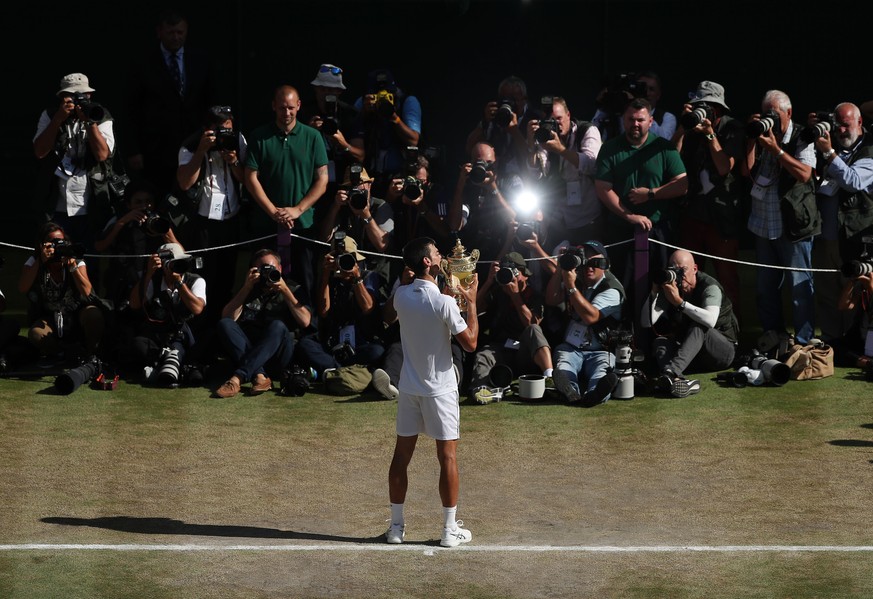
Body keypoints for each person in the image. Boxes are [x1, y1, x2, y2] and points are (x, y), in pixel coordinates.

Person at [385, 237, 478, 547]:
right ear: (427, 262)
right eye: (437, 253)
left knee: (401, 456)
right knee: (447, 457)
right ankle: (449, 531)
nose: (442, 255)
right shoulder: (444, 303)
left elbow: (389, 313)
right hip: (440, 391)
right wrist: (472, 302)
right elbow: (471, 343)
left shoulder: (401, 296)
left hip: (409, 388)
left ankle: (396, 528)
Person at [594, 97, 688, 308]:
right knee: (621, 287)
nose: (635, 124)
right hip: (621, 231)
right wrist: (630, 215)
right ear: (623, 120)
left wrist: (651, 194)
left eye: (640, 119)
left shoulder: (664, 148)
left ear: (651, 121)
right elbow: (602, 187)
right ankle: (623, 334)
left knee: (661, 286)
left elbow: (682, 184)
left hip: (658, 231)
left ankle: (660, 333)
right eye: (630, 119)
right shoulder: (610, 148)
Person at [740, 89, 817, 345]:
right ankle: (772, 335)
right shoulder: (762, 133)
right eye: (766, 114)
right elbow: (746, 171)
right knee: (765, 288)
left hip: (793, 225)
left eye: (774, 114)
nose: (770, 119)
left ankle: (804, 341)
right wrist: (752, 139)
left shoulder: (802, 135)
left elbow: (805, 174)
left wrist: (776, 150)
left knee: (799, 289)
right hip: (763, 223)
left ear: (789, 113)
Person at [244, 84, 329, 298]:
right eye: (282, 108)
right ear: (273, 107)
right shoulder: (259, 136)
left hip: (303, 225)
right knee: (261, 283)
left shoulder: (312, 137)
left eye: (291, 107)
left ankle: (307, 328)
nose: (287, 113)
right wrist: (273, 211)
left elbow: (322, 179)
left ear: (299, 106)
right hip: (266, 225)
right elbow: (250, 177)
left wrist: (297, 210)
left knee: (305, 283)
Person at [124, 8, 218, 193]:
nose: (176, 37)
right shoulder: (143, 63)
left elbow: (210, 100)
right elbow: (131, 108)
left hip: (193, 142)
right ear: (159, 32)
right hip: (156, 148)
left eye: (180, 32)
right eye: (171, 33)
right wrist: (133, 150)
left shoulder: (200, 60)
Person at [673, 81, 746, 314]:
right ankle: (689, 330)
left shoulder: (732, 128)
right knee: (687, 278)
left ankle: (731, 335)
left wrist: (711, 135)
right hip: (693, 213)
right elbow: (671, 158)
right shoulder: (691, 128)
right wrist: (683, 127)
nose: (703, 111)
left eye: (709, 107)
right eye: (700, 106)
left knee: (727, 280)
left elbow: (725, 167)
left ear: (720, 110)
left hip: (722, 219)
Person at [175, 105, 248, 325]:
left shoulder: (238, 140)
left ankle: (222, 328)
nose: (224, 134)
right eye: (220, 129)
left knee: (227, 278)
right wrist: (201, 151)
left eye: (228, 127)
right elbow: (185, 183)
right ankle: (201, 331)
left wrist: (233, 160)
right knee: (205, 277)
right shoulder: (191, 144)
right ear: (208, 128)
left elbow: (248, 179)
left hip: (230, 218)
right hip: (203, 223)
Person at [809, 103, 873, 343]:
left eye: (846, 125)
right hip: (826, 233)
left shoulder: (869, 150)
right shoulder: (829, 143)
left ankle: (853, 341)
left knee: (853, 291)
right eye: (837, 125)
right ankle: (830, 338)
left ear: (860, 123)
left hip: (854, 237)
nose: (841, 130)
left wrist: (828, 153)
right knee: (826, 290)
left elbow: (853, 181)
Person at [33, 72, 116, 249]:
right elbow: (40, 151)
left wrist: (90, 122)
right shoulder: (50, 115)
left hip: (90, 205)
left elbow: (102, 154)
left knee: (89, 260)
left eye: (83, 95)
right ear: (62, 97)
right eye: (72, 95)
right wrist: (58, 120)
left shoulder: (100, 114)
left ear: (89, 95)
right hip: (57, 205)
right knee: (55, 258)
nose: (79, 99)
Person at [214, 249, 312, 398]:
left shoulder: (292, 288)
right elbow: (227, 317)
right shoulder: (250, 288)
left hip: (279, 356)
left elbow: (305, 321)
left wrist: (285, 291)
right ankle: (260, 376)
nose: (267, 274)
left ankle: (238, 378)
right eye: (262, 270)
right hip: (250, 350)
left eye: (271, 269)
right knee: (225, 324)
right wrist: (246, 288)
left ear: (279, 269)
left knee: (277, 326)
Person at [641, 249, 739, 398]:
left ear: (695, 269)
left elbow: (710, 320)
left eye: (682, 270)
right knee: (660, 342)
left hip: (721, 352)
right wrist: (655, 291)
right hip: (693, 354)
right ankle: (679, 381)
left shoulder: (710, 286)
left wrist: (680, 303)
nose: (678, 274)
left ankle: (670, 373)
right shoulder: (672, 287)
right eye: (673, 269)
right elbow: (646, 321)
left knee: (699, 325)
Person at [295, 234, 387, 379]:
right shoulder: (329, 279)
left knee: (377, 351)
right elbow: (323, 312)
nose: (344, 263)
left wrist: (357, 278)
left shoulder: (368, 276)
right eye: (339, 259)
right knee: (305, 344)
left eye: (349, 258)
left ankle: (333, 371)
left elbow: (368, 308)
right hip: (333, 343)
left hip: (361, 342)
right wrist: (325, 275)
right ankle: (343, 371)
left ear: (357, 260)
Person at [545, 241, 625, 406]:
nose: (589, 267)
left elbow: (591, 316)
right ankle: (571, 392)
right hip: (572, 347)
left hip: (601, 349)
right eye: (585, 262)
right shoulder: (576, 276)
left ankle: (594, 395)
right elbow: (551, 299)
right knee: (564, 365)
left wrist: (571, 287)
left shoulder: (611, 289)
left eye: (596, 263)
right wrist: (561, 267)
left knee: (601, 374)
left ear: (605, 265)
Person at [467, 252, 553, 404]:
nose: (509, 277)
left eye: (514, 273)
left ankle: (550, 378)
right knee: (484, 354)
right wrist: (488, 282)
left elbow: (532, 323)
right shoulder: (498, 292)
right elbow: (472, 309)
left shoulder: (534, 296)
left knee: (533, 330)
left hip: (526, 352)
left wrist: (515, 296)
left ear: (525, 275)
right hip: (502, 349)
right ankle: (481, 390)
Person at [18, 222, 105, 361]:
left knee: (94, 314)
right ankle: (59, 353)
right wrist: (40, 261)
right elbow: (22, 287)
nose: (58, 246)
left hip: (77, 313)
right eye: (53, 242)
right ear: (42, 245)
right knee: (36, 333)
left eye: (61, 242)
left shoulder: (75, 259)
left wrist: (72, 267)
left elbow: (86, 291)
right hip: (50, 316)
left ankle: (91, 354)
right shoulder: (34, 260)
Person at [526, 96, 604, 249]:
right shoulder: (545, 137)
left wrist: (560, 150)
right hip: (559, 217)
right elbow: (537, 173)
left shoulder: (586, 130)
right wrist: (531, 147)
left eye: (559, 118)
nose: (556, 124)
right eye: (551, 120)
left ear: (568, 115)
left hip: (588, 216)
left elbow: (591, 164)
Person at [127, 241, 206, 387]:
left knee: (185, 345)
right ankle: (170, 365)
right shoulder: (153, 280)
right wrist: (148, 273)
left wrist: (179, 284)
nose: (178, 267)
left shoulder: (195, 280)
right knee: (137, 343)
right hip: (158, 337)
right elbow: (134, 304)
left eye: (181, 262)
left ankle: (160, 367)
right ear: (163, 265)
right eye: (174, 263)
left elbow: (197, 308)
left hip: (184, 336)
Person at [317, 165, 394, 291]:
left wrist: (366, 215)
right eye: (351, 187)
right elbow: (324, 238)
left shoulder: (381, 206)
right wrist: (335, 207)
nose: (356, 189)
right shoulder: (342, 207)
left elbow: (382, 245)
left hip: (374, 269)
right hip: (344, 266)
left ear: (369, 185)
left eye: (360, 184)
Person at [447, 141, 519, 272]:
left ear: (496, 161)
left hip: (504, 251)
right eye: (480, 163)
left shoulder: (509, 181)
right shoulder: (467, 188)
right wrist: (461, 184)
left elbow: (513, 218)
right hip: (472, 256)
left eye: (489, 163)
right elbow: (455, 225)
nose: (486, 168)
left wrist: (493, 187)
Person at [353, 68, 422, 197]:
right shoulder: (363, 102)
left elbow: (413, 140)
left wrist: (394, 117)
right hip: (369, 172)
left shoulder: (407, 101)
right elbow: (351, 132)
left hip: (399, 173)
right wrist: (364, 112)